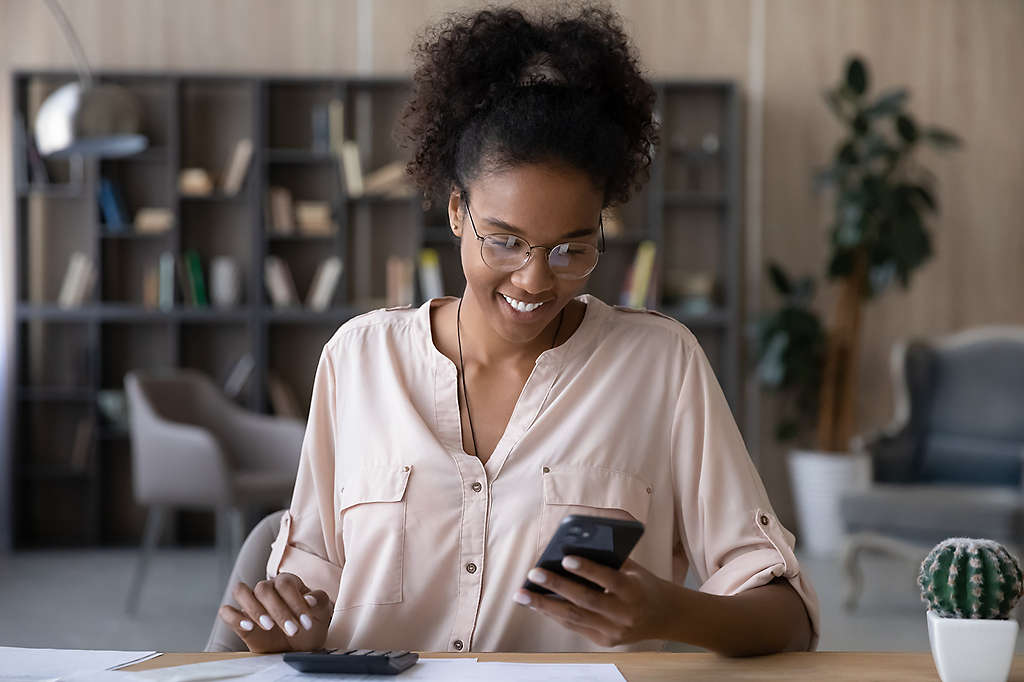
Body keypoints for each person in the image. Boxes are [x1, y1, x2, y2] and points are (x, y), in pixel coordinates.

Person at [218, 4, 819, 656]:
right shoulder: (358, 361)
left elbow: (789, 616)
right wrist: (291, 630)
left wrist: (670, 613)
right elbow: (305, 588)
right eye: (504, 241)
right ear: (456, 211)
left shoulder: (661, 365)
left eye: (571, 249)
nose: (535, 280)